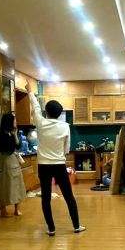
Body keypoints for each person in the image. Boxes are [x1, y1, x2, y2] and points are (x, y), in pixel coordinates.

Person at [29, 93, 85, 235]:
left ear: (46, 112)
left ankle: (51, 229)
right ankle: (76, 226)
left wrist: (30, 92)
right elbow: (67, 148)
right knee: (68, 196)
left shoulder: (40, 123)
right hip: (59, 164)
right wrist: (60, 154)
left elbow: (35, 107)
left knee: (46, 197)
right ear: (59, 114)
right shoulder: (65, 127)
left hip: (43, 165)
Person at [0, 112, 25, 218]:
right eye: (14, 120)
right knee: (7, 186)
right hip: (8, 162)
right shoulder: (3, 135)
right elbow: (8, 149)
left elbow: (18, 146)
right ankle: (3, 210)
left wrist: (15, 134)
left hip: (14, 162)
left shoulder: (11, 133)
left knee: (17, 185)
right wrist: (13, 136)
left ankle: (17, 209)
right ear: (9, 122)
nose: (16, 122)